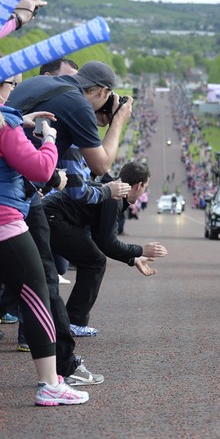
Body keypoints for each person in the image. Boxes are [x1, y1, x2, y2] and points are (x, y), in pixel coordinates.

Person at [0, 95, 88, 405]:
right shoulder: (4, 126)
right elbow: (40, 169)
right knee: (38, 299)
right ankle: (51, 383)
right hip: (5, 222)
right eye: (12, 84)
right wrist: (50, 138)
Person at [44, 162, 168, 337]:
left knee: (27, 271)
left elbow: (100, 239)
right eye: (145, 187)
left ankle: (72, 320)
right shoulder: (114, 198)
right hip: (52, 218)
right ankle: (74, 321)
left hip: (51, 215)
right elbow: (107, 244)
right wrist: (140, 250)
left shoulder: (113, 192)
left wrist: (133, 259)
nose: (143, 192)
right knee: (95, 261)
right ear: (138, 185)